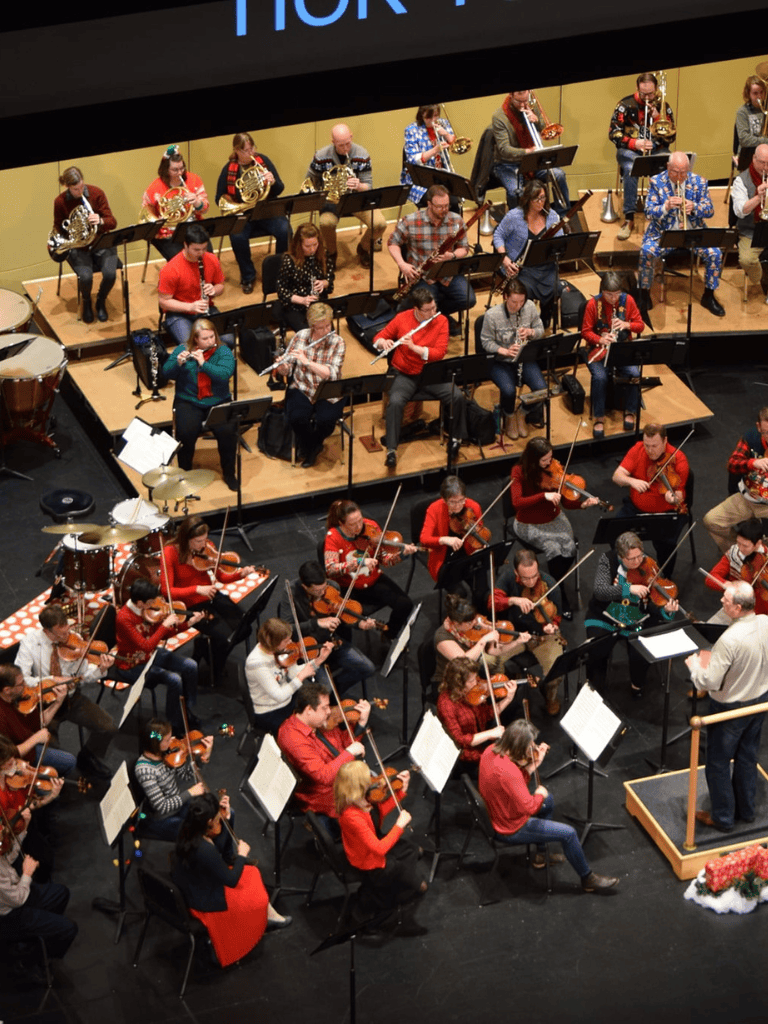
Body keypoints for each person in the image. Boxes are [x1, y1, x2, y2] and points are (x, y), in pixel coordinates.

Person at [478, 719, 619, 892]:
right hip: (510, 828)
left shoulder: (489, 751)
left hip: (498, 811)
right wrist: (539, 794)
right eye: (530, 744)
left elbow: (508, 786)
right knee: (568, 833)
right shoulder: (509, 771)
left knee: (549, 800)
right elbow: (530, 807)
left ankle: (540, 855)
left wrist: (534, 765)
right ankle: (587, 878)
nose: (533, 747)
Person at [171, 793, 289, 968]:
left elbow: (223, 854)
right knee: (254, 887)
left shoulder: (188, 830)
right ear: (209, 822)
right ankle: (265, 917)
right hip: (207, 901)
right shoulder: (204, 850)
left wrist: (228, 818)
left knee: (251, 872)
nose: (221, 822)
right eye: (218, 820)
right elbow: (231, 879)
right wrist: (242, 855)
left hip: (195, 886)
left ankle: (270, 914)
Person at [686, 581, 768, 833]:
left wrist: (694, 667)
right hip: (760, 701)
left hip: (731, 707)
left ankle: (723, 818)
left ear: (738, 607)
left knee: (719, 762)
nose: (722, 601)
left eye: (726, 600)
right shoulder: (765, 621)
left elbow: (709, 681)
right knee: (747, 756)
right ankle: (746, 811)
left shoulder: (729, 640)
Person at [15, 606, 116, 780]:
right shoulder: (30, 643)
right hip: (45, 705)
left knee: (109, 727)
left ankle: (87, 756)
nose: (66, 637)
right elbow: (22, 680)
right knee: (55, 754)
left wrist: (100, 669)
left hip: (71, 699)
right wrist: (52, 680)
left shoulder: (74, 640)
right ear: (47, 631)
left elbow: (85, 676)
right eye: (60, 634)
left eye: (67, 630)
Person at [372, 286, 467, 469]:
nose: (433, 312)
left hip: (431, 373)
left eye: (434, 307)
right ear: (416, 309)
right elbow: (378, 337)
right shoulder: (402, 318)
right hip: (404, 374)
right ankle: (392, 450)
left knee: (456, 396)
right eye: (427, 310)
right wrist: (382, 342)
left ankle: (456, 438)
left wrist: (415, 347)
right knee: (396, 402)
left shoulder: (441, 321)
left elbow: (439, 353)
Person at [585, 530, 678, 698]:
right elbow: (600, 592)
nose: (637, 562)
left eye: (639, 556)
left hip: (638, 618)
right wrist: (628, 588)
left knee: (641, 651)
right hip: (605, 616)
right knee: (597, 650)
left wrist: (665, 610)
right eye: (631, 559)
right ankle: (595, 691)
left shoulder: (648, 563)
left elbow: (652, 605)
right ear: (620, 556)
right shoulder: (608, 560)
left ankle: (637, 685)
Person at [160, 515, 254, 682]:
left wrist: (240, 574)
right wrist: (197, 589)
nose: (203, 545)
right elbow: (167, 591)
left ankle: (205, 649)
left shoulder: (208, 547)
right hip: (188, 605)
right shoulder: (170, 553)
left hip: (210, 596)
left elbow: (222, 577)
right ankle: (215, 667)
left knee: (245, 627)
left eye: (205, 539)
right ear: (185, 539)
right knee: (225, 639)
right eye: (198, 541)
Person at [511, 437, 598, 613]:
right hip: (528, 523)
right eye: (544, 460)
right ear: (533, 459)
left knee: (569, 547)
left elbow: (566, 502)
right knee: (554, 549)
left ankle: (552, 583)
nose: (549, 462)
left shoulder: (554, 469)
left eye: (550, 458)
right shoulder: (519, 471)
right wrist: (543, 496)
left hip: (554, 517)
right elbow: (517, 502)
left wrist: (582, 504)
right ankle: (558, 593)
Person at [334, 760, 426, 924]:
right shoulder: (351, 815)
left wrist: (401, 791)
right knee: (420, 886)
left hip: (373, 841)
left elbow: (379, 813)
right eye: (367, 778)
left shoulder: (361, 799)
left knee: (413, 850)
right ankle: (379, 895)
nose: (373, 779)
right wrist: (399, 825)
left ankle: (397, 880)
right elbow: (379, 849)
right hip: (368, 860)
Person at [637, 152, 725, 318]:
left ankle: (708, 296)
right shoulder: (656, 182)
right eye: (675, 172)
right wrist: (666, 206)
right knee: (646, 252)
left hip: (693, 232)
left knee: (715, 253)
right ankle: (644, 294)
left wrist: (695, 207)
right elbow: (648, 212)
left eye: (684, 172)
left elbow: (710, 211)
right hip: (663, 233)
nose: (680, 177)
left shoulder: (699, 182)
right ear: (668, 167)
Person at [113, 578, 205, 734]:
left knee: (191, 666)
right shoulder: (124, 618)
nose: (155, 604)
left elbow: (162, 635)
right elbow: (147, 645)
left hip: (150, 656)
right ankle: (173, 724)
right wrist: (164, 625)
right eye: (150, 602)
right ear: (140, 603)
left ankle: (186, 710)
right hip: (132, 664)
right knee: (174, 680)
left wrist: (188, 623)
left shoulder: (148, 610)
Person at [161, 317, 238, 490]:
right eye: (205, 338)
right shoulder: (183, 349)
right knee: (186, 433)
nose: (210, 341)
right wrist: (178, 363)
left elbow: (223, 375)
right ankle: (184, 473)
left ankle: (229, 473)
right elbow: (166, 373)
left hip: (218, 401)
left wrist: (203, 363)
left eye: (212, 337)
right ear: (195, 339)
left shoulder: (223, 352)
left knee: (228, 433)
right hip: (189, 401)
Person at [277, 681, 369, 821]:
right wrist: (350, 752)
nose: (329, 711)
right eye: (324, 708)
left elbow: (342, 746)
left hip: (338, 774)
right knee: (369, 803)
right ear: (308, 710)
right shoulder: (293, 738)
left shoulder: (318, 722)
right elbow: (324, 776)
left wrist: (361, 724)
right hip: (322, 793)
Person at [324, 500, 416, 639]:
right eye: (352, 524)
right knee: (341, 620)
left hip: (372, 580)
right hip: (347, 586)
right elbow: (331, 568)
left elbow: (385, 560)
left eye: (360, 520)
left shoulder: (371, 527)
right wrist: (360, 562)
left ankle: (388, 634)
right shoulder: (333, 536)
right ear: (341, 523)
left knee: (405, 604)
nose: (359, 527)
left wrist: (402, 555)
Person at [387, 184, 476, 328]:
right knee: (426, 305)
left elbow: (464, 248)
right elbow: (392, 243)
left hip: (448, 273)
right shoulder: (410, 221)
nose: (444, 210)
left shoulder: (456, 220)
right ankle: (435, 318)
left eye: (447, 205)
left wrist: (452, 256)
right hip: (423, 276)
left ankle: (438, 315)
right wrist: (402, 264)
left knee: (468, 299)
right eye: (440, 206)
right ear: (429, 204)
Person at [489, 549, 565, 716]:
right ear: (517, 573)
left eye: (535, 576)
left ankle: (549, 695)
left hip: (543, 636)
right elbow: (492, 602)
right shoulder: (509, 578)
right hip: (515, 634)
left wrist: (551, 627)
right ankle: (505, 697)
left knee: (556, 669)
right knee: (491, 661)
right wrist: (513, 600)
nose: (531, 582)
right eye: (526, 578)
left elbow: (557, 616)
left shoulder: (550, 584)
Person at [273, 302, 345, 469]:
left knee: (326, 421)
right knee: (296, 418)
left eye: (328, 325)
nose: (327, 330)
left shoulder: (338, 342)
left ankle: (312, 445)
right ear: (312, 326)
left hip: (328, 389)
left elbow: (331, 374)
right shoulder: (300, 337)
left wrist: (306, 362)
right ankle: (312, 447)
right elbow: (288, 369)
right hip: (302, 386)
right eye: (321, 327)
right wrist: (282, 367)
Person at [288, 560, 377, 695]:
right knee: (326, 690)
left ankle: (334, 692)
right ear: (306, 587)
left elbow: (341, 616)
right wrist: (316, 623)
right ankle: (327, 694)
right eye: (318, 591)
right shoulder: (292, 594)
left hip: (331, 643)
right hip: (309, 650)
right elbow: (287, 628)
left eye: (324, 587)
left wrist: (359, 624)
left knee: (368, 668)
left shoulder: (332, 587)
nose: (324, 593)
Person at [612, 422, 690, 574]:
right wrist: (632, 481)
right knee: (614, 535)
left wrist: (672, 497)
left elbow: (679, 494)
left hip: (665, 512)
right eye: (647, 445)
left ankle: (665, 578)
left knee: (666, 544)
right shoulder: (638, 449)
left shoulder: (678, 459)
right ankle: (629, 571)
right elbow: (616, 476)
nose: (649, 450)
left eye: (654, 446)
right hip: (634, 507)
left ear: (665, 441)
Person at [215, 131, 289, 293]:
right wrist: (237, 200)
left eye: (252, 148)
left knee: (285, 230)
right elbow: (218, 198)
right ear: (236, 151)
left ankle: (280, 271)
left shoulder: (264, 162)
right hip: (244, 214)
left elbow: (279, 189)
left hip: (266, 210)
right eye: (246, 151)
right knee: (237, 236)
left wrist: (273, 181)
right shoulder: (228, 169)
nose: (251, 153)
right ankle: (248, 276)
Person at [306, 123, 386, 269]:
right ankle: (331, 253)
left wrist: (359, 186)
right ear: (333, 142)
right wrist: (321, 192)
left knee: (379, 223)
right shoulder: (321, 156)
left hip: (357, 200)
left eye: (348, 143)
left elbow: (369, 185)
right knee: (326, 223)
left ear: (351, 137)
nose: (345, 148)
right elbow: (309, 181)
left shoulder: (362, 154)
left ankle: (363, 248)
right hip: (332, 203)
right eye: (341, 145)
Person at [609, 72, 675, 242]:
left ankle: (661, 214)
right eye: (643, 94)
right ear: (637, 89)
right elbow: (614, 133)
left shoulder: (663, 106)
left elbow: (671, 138)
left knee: (670, 164)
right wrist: (634, 143)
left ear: (656, 91)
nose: (647, 98)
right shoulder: (624, 105)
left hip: (656, 150)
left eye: (651, 94)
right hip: (630, 151)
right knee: (631, 170)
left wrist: (658, 118)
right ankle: (629, 219)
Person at [0, 824, 78, 964]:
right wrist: (27, 874)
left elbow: (6, 859)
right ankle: (31, 960)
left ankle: (41, 935)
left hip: (13, 895)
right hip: (8, 915)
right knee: (69, 929)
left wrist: (23, 830)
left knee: (61, 893)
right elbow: (17, 900)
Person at [480, 276, 546, 439]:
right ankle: (509, 416)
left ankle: (522, 413)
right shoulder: (492, 315)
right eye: (514, 302)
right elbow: (485, 342)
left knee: (541, 390)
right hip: (500, 361)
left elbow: (540, 329)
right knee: (509, 390)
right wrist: (503, 350)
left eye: (521, 302)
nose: (518, 306)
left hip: (523, 358)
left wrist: (531, 332)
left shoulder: (529, 307)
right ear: (505, 297)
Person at [50, 165, 118, 324]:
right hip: (79, 247)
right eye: (75, 189)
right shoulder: (60, 202)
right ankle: (87, 301)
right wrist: (69, 237)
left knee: (110, 274)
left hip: (100, 242)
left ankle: (101, 300)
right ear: (67, 187)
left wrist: (100, 221)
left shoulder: (97, 193)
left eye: (81, 186)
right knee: (86, 277)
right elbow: (59, 227)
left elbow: (112, 222)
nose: (80, 191)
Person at [492, 180, 563, 330]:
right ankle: (524, 323)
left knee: (556, 288)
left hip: (546, 267)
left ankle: (545, 319)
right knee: (525, 290)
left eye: (543, 198)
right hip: (522, 269)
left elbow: (561, 241)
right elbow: (498, 235)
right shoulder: (515, 216)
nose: (540, 202)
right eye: (536, 199)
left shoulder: (552, 216)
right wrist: (504, 258)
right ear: (527, 199)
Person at [581, 271, 644, 437]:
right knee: (600, 377)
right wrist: (600, 339)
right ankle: (599, 417)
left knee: (634, 373)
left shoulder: (627, 300)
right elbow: (586, 332)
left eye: (617, 294)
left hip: (622, 347)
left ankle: (630, 410)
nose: (614, 298)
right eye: (609, 295)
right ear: (602, 291)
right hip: (598, 350)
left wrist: (626, 324)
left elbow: (640, 326)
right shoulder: (593, 304)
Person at [244, 617, 334, 734]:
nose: (290, 642)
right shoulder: (256, 663)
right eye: (286, 641)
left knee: (320, 712)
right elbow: (279, 695)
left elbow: (293, 672)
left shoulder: (279, 650)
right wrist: (301, 676)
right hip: (271, 711)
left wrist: (319, 660)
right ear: (273, 642)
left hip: (289, 699)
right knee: (311, 726)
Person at [433, 592, 530, 697]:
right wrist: (483, 641)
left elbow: (494, 651)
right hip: (457, 680)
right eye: (470, 623)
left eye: (474, 618)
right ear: (456, 623)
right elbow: (463, 662)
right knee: (492, 664)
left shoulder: (473, 625)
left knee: (496, 661)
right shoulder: (442, 637)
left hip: (474, 672)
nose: (475, 623)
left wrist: (517, 642)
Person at [491, 90, 570, 214]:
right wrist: (529, 151)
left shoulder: (531, 106)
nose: (523, 105)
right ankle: (517, 223)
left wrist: (537, 121)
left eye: (525, 101)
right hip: (508, 164)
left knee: (559, 175)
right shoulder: (499, 117)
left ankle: (563, 215)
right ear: (511, 96)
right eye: (519, 102)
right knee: (515, 191)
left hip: (533, 160)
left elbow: (545, 131)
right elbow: (504, 150)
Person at [133, 717, 213, 840]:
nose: (172, 741)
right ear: (156, 743)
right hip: (162, 817)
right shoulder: (145, 770)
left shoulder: (168, 753)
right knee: (199, 835)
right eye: (167, 740)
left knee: (210, 813)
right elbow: (162, 806)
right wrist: (190, 793)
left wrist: (203, 758)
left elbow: (186, 775)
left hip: (177, 803)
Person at [703, 407, 768, 552]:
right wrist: (751, 463)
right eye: (766, 433)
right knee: (711, 521)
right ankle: (741, 553)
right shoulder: (751, 437)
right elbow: (732, 464)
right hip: (748, 498)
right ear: (759, 427)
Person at [436, 656, 516, 770]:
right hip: (466, 753)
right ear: (459, 684)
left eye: (476, 677)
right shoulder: (446, 705)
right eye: (472, 680)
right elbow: (461, 740)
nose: (476, 682)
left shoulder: (472, 694)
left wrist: (508, 698)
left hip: (481, 736)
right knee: (507, 761)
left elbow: (488, 713)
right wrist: (490, 733)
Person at [0, 665, 75, 777]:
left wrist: (58, 702)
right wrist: (36, 739)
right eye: (21, 684)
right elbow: (9, 755)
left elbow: (39, 723)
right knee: (70, 762)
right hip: (17, 762)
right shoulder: (2, 717)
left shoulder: (20, 698)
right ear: (7, 690)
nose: (26, 686)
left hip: (31, 742)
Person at [157, 223, 225, 346]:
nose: (201, 253)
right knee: (191, 347)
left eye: (204, 248)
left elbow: (221, 286)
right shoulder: (170, 269)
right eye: (196, 250)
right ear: (185, 245)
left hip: (206, 309)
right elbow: (163, 301)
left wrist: (214, 290)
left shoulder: (212, 259)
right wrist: (191, 307)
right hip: (179, 314)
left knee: (227, 340)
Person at [140, 144, 209, 261]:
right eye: (175, 170)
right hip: (167, 234)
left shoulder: (194, 179)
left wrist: (198, 202)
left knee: (206, 255)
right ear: (165, 169)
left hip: (193, 228)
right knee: (181, 261)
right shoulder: (154, 188)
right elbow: (146, 212)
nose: (179, 173)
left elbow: (205, 208)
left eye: (182, 168)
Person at [419, 475, 484, 582]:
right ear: (444, 499)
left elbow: (480, 536)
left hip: (469, 554)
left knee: (482, 591)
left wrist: (476, 532)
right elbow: (424, 539)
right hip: (444, 558)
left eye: (461, 500)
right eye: (453, 502)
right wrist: (444, 539)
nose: (458, 506)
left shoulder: (473, 507)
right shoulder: (434, 509)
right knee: (459, 595)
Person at [702, 519, 768, 622]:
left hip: (759, 614)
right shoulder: (734, 553)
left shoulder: (765, 558)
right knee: (710, 627)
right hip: (736, 607)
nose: (740, 549)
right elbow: (710, 579)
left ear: (758, 543)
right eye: (738, 543)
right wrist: (727, 584)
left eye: (745, 545)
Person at [276, 222, 334, 334]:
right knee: (308, 335)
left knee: (327, 333)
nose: (312, 249)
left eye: (315, 245)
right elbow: (282, 291)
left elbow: (330, 280)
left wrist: (324, 283)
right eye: (307, 246)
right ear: (299, 245)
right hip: (295, 306)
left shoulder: (323, 254)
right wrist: (303, 300)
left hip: (318, 304)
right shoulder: (289, 261)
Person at [401, 103, 458, 207]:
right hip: (421, 179)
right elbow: (412, 160)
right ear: (422, 114)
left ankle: (453, 222)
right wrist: (435, 150)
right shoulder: (411, 130)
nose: (433, 120)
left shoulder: (443, 123)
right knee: (437, 203)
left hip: (443, 175)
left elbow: (455, 145)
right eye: (429, 117)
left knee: (454, 201)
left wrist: (446, 134)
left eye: (436, 115)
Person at [731, 143, 768, 299]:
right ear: (754, 158)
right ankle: (764, 279)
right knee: (746, 260)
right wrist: (757, 197)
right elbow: (740, 211)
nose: (765, 167)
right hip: (751, 230)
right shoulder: (741, 180)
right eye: (762, 162)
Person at [735, 75, 768, 157]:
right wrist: (765, 141)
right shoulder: (742, 112)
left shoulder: (766, 109)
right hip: (748, 155)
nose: (759, 96)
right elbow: (744, 139)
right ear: (748, 94)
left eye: (762, 92)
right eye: (755, 93)